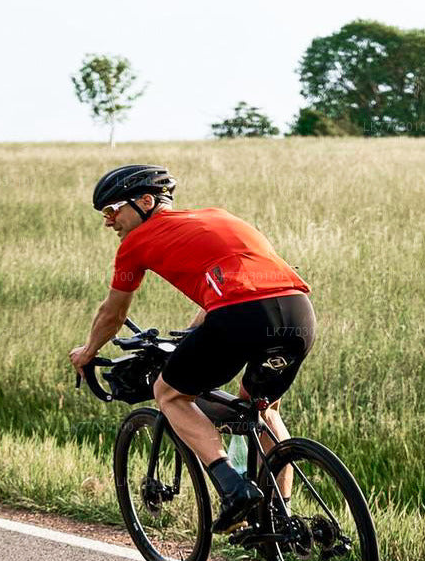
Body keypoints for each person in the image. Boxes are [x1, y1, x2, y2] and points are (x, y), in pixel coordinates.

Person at [69, 164, 315, 534]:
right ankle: (281, 519)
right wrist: (197, 328)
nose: (109, 222)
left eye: (112, 210)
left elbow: (113, 313)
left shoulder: (134, 244)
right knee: (263, 408)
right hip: (297, 312)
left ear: (146, 202)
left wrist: (87, 351)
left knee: (168, 393)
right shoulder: (218, 216)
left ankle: (234, 490)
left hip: (238, 315)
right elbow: (240, 276)